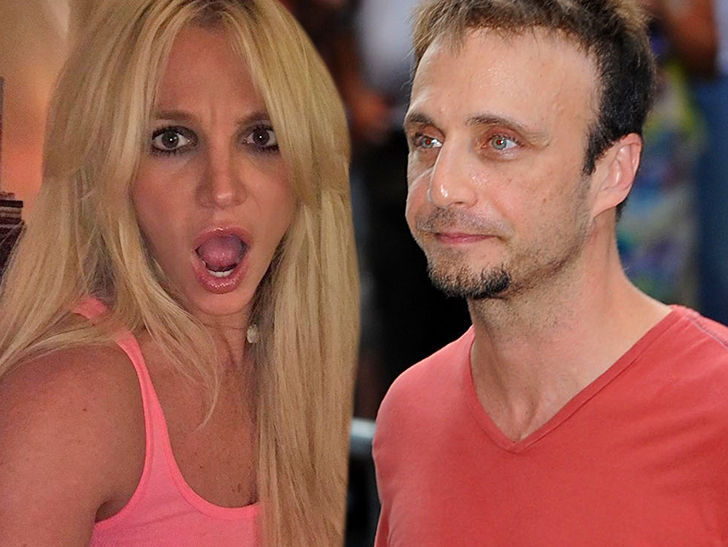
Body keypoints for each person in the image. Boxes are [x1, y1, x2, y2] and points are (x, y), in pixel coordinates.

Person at [0, 0, 358, 545]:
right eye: (172, 140)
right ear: (112, 169)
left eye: (261, 137)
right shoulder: (67, 397)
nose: (222, 189)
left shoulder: (295, 368)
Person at [373, 0, 728, 544]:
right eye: (428, 140)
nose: (442, 187)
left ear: (613, 172)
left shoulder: (716, 412)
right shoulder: (410, 413)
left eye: (500, 142)